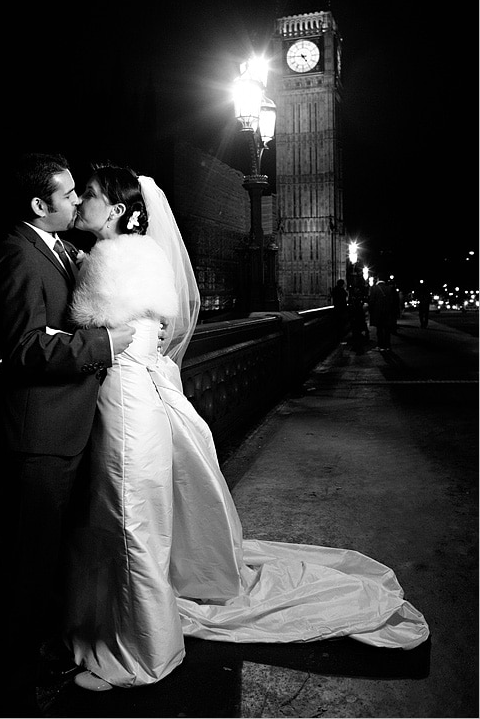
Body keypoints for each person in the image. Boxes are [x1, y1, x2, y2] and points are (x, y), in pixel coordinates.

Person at [64, 162, 429, 692]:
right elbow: (151, 333)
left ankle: (145, 653)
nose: (81, 202)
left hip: (124, 407)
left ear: (118, 210)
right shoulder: (131, 255)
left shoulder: (113, 259)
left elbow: (104, 336)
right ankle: (137, 626)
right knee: (133, 519)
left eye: (90, 195)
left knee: (129, 522)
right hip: (136, 399)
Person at [0, 153, 137, 715]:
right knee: (27, 566)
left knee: (53, 559)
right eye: (68, 193)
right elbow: (26, 348)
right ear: (40, 205)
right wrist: (105, 345)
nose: (77, 201)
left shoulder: (57, 250)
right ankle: (11, 685)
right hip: (39, 440)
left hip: (68, 431)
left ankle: (45, 654)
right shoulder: (17, 255)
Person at [368, 274, 395, 351]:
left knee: (379, 329)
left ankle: (381, 345)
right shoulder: (389, 288)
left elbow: (372, 301)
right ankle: (388, 345)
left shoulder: (374, 288)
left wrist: (371, 311)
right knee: (387, 329)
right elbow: (392, 301)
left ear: (378, 280)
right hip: (387, 312)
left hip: (378, 312)